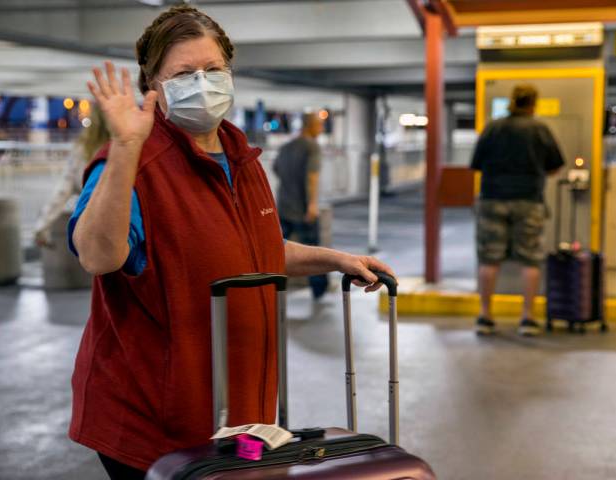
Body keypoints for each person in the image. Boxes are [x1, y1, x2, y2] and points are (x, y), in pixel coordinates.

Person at [67, 5, 396, 479]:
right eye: (184, 73)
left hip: (238, 415)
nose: (202, 83)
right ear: (154, 85)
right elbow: (99, 256)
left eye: (213, 70)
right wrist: (124, 149)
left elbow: (255, 253)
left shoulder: (241, 156)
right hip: (156, 422)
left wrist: (336, 260)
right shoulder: (135, 162)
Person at [470, 84, 564, 337]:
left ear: (512, 101)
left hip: (492, 199)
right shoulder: (539, 129)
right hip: (529, 200)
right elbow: (555, 166)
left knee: (489, 259)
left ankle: (485, 316)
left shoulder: (493, 127)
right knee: (530, 259)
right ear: (534, 103)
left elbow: (476, 164)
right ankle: (527, 319)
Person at [33, 108, 109, 247]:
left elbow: (62, 191)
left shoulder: (82, 149)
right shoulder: (127, 148)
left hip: (90, 223)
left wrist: (42, 226)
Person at [273, 111, 328, 300]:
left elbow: (276, 169)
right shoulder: (312, 147)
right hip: (303, 210)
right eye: (319, 125)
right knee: (314, 255)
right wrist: (312, 205)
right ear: (310, 126)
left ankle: (275, 291)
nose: (321, 129)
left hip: (283, 207)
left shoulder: (286, 147)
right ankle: (319, 292)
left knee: (278, 254)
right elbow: (312, 177)